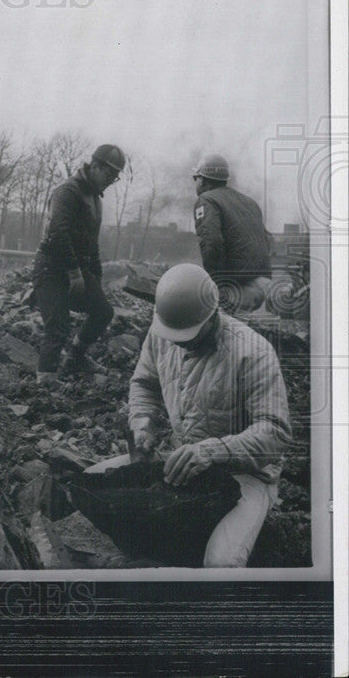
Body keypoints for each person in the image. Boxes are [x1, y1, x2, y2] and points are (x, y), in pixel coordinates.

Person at [86, 263, 292, 567]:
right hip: (181, 460)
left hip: (245, 473)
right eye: (174, 334)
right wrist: (142, 424)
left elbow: (275, 433)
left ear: (211, 316)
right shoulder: (163, 334)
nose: (178, 342)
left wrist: (214, 451)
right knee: (92, 486)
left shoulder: (253, 352)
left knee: (221, 563)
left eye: (187, 335)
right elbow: (144, 384)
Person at [31, 144, 124, 383]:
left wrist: (96, 277)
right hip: (52, 266)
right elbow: (57, 233)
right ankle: (45, 384)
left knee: (102, 311)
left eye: (115, 178)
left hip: (76, 268)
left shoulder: (93, 197)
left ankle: (75, 358)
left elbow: (92, 245)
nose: (110, 182)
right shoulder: (68, 191)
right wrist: (75, 274)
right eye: (109, 175)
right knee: (57, 327)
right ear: (95, 166)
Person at [192, 155, 272, 313]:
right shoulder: (249, 202)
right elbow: (266, 240)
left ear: (202, 180)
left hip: (237, 289)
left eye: (196, 178)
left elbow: (211, 243)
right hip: (262, 285)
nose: (195, 182)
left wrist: (217, 285)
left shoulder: (206, 200)